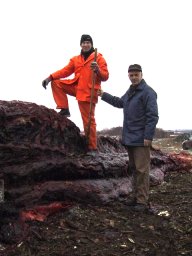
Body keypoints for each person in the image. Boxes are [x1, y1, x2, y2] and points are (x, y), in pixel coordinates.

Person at [98, 64, 159, 212]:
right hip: (130, 137)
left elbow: (153, 116)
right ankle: (134, 197)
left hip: (141, 139)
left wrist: (148, 136)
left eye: (136, 75)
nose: (133, 77)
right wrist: (102, 94)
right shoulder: (131, 92)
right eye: (131, 75)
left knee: (142, 170)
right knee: (133, 169)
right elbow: (120, 102)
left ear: (141, 75)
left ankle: (142, 202)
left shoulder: (148, 92)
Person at [42, 34, 109, 153]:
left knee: (88, 121)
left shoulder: (98, 58)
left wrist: (97, 70)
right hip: (76, 87)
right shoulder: (76, 59)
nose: (86, 44)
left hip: (88, 92)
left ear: (91, 44)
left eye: (88, 42)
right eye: (83, 42)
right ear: (80, 44)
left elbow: (105, 76)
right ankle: (64, 109)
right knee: (56, 83)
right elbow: (65, 71)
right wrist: (50, 77)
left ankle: (92, 147)